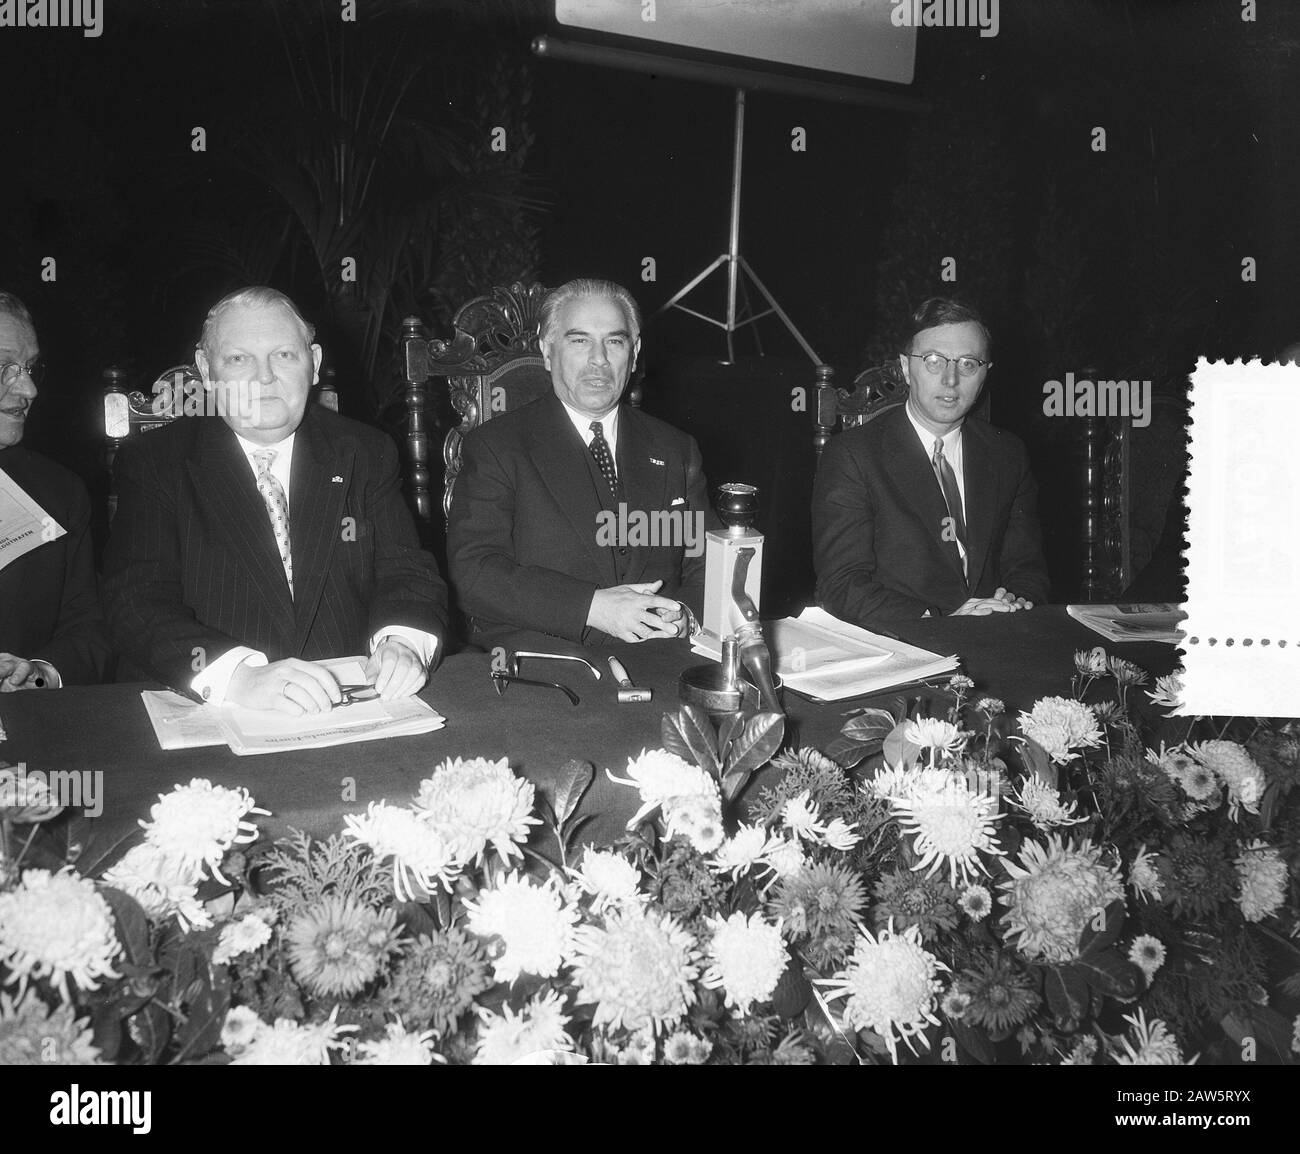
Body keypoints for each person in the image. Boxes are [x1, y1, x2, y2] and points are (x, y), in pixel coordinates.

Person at [102, 286, 448, 714]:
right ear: (207, 371)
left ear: (314, 364)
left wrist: (402, 641)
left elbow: (406, 571)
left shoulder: (365, 451)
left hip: (349, 706)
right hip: (211, 709)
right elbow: (134, 602)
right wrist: (238, 677)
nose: (264, 377)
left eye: (284, 355)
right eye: (238, 359)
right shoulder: (157, 463)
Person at [447, 278, 709, 648]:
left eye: (614, 342)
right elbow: (474, 573)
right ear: (548, 350)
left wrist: (687, 615)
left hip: (661, 658)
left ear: (634, 354)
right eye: (579, 340)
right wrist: (591, 607)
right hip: (547, 665)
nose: (598, 359)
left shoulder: (675, 448)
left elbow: (707, 560)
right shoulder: (498, 448)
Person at [812, 297, 1048, 624]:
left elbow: (1027, 571)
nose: (951, 380)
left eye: (968, 363)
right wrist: (940, 621)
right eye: (934, 361)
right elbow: (841, 584)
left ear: (985, 374)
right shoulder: (854, 456)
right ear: (907, 368)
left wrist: (1012, 603)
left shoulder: (1008, 454)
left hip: (997, 635)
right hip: (905, 641)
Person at [0, 292, 110, 687]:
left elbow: (89, 628)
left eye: (29, 367)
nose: (29, 389)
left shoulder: (59, 493)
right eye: (4, 367)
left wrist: (42, 675)